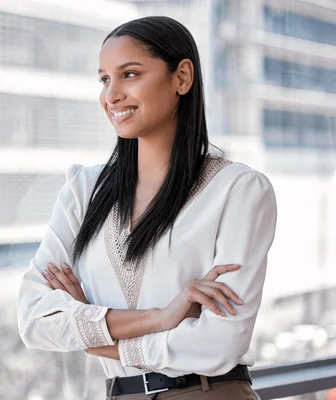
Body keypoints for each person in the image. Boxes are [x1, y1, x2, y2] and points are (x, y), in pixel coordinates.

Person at [17, 16, 277, 400]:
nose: (112, 95)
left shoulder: (238, 190)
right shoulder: (83, 190)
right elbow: (35, 320)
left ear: (182, 77)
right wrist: (161, 317)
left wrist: (93, 335)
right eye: (105, 80)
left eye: (131, 74)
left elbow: (217, 344)